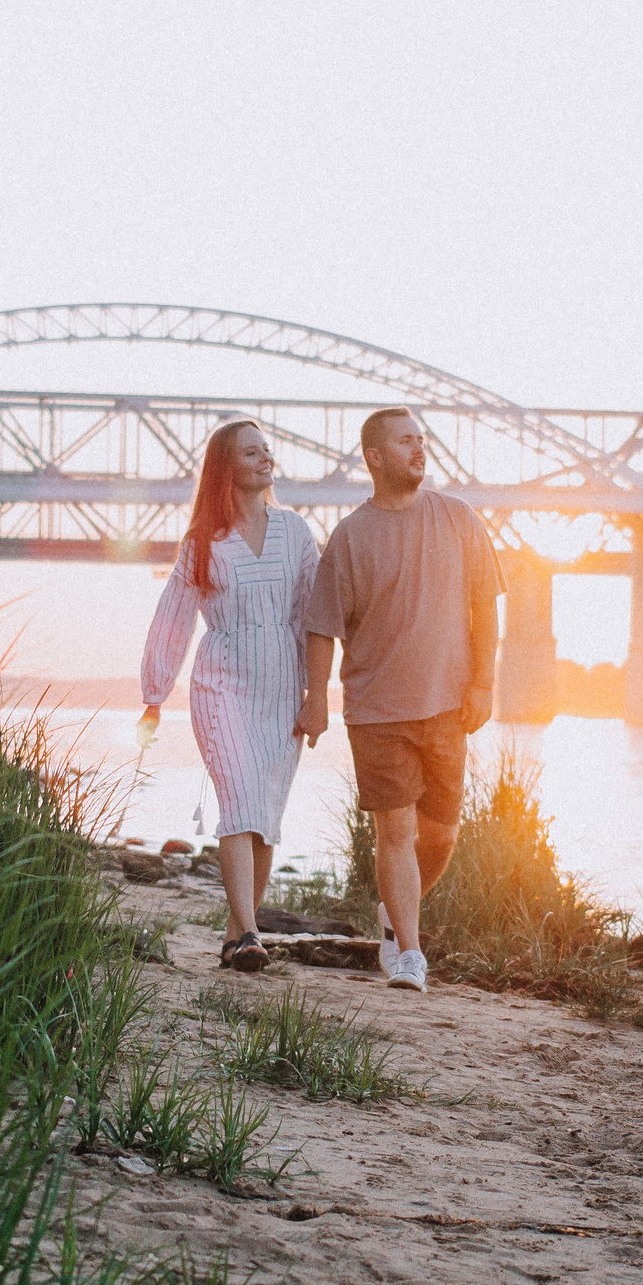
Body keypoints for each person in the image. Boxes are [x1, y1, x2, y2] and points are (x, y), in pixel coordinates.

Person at [296, 406, 502, 993]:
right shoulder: (351, 536)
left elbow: (487, 605)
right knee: (396, 832)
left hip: (446, 706)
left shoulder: (458, 518)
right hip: (377, 710)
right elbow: (323, 627)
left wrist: (483, 683)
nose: (419, 449)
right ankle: (410, 954)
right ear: (375, 457)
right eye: (405, 441)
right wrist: (317, 700)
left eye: (421, 439)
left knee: (441, 836)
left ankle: (394, 914)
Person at [140, 420, 322, 971]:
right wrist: (154, 693)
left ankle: (234, 938)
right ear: (227, 467)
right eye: (251, 451)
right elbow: (173, 618)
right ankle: (250, 932)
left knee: (265, 816)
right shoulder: (203, 542)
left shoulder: (296, 532)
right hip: (220, 685)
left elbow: (315, 617)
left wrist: (319, 695)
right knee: (240, 801)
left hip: (283, 689)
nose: (266, 457)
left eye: (268, 448)